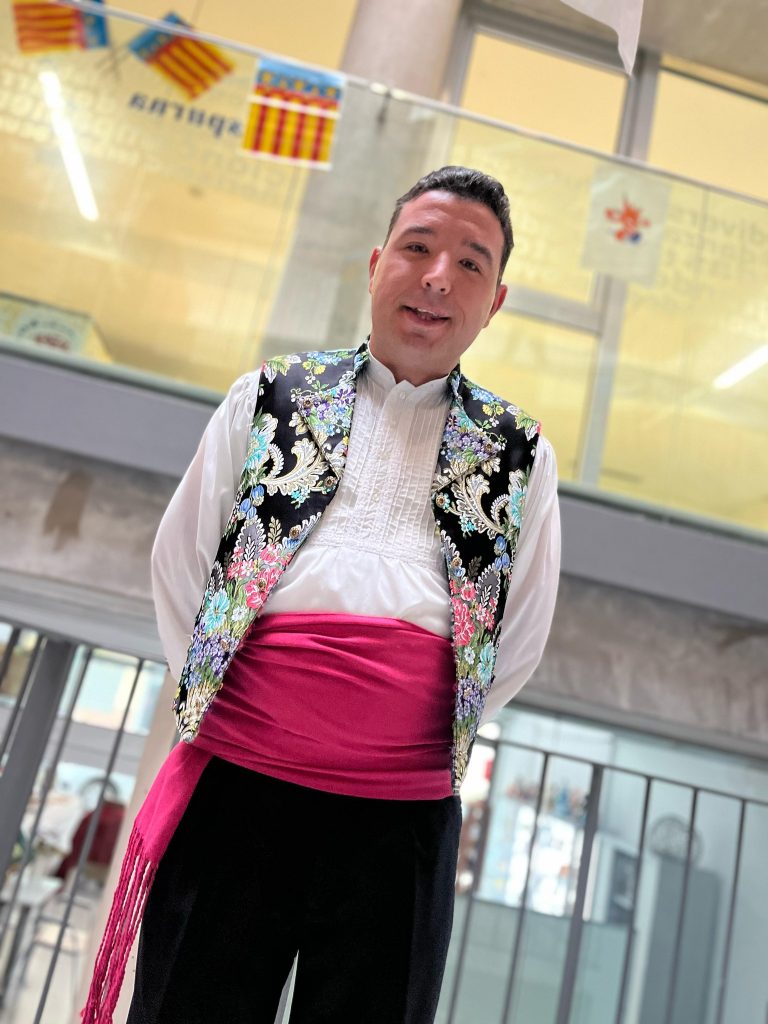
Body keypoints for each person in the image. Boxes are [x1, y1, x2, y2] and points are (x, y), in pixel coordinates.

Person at [83, 165, 560, 1024]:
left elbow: (517, 638)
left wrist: (382, 733)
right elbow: (182, 564)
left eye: (470, 264)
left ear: (494, 303)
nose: (438, 278)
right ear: (376, 265)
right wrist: (254, 712)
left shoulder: (522, 452)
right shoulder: (270, 394)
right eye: (417, 248)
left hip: (401, 819)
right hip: (236, 788)